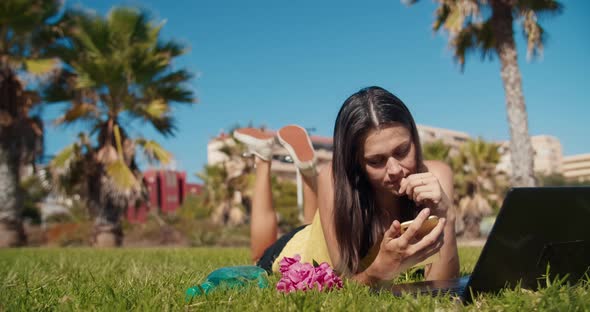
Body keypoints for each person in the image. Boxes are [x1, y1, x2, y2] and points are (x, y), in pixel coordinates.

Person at [233, 86, 459, 286]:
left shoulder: (436, 175)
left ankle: (307, 172)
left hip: (323, 224)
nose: (395, 170)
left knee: (315, 217)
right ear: (356, 163)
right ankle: (263, 158)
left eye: (402, 151)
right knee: (258, 256)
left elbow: (443, 285)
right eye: (376, 161)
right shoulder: (335, 178)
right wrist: (379, 271)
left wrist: (445, 216)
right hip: (300, 247)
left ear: (414, 139)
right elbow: (344, 284)